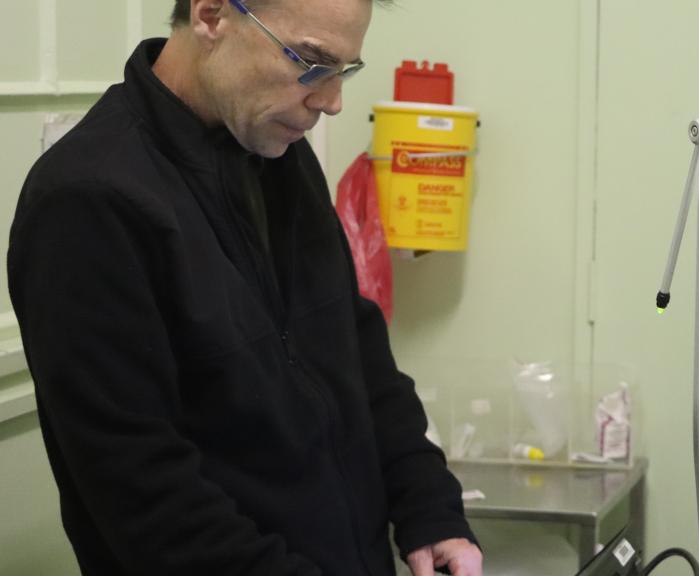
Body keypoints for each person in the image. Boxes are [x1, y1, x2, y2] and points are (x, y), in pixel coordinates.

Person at [7, 0, 482, 574]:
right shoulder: (88, 202)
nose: (331, 100)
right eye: (311, 62)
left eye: (344, 71)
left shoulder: (276, 154)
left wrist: (429, 507)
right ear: (210, 16)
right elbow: (148, 502)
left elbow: (356, 355)